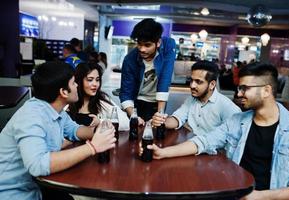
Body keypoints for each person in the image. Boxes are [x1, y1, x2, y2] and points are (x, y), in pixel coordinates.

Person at [143, 63, 289, 199]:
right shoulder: (237, 121)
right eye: (239, 88)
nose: (238, 94)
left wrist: (259, 196)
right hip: (232, 191)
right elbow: (204, 141)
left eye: (244, 88)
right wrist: (163, 153)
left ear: (266, 90)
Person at [0, 61, 116, 200]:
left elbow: (74, 130)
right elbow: (38, 165)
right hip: (14, 193)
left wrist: (98, 131)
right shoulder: (31, 116)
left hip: (38, 187)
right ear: (63, 92)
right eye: (74, 83)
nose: (77, 85)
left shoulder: (55, 110)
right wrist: (92, 147)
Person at [152, 60, 241, 136]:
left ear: (212, 84)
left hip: (212, 153)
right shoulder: (191, 99)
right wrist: (162, 121)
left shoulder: (228, 108)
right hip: (190, 147)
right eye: (192, 80)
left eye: (198, 82)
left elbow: (232, 141)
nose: (192, 85)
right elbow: (178, 118)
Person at [119, 18, 176, 124]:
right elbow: (126, 92)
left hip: (157, 102)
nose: (142, 49)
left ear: (158, 42)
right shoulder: (129, 59)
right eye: (139, 44)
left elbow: (165, 78)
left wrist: (160, 114)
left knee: (157, 133)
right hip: (137, 102)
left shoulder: (168, 46)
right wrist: (133, 115)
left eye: (147, 45)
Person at [68, 62, 129, 130]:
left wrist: (100, 123)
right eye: (90, 80)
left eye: (97, 80)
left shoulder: (103, 101)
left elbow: (126, 123)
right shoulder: (69, 102)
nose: (95, 84)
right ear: (79, 81)